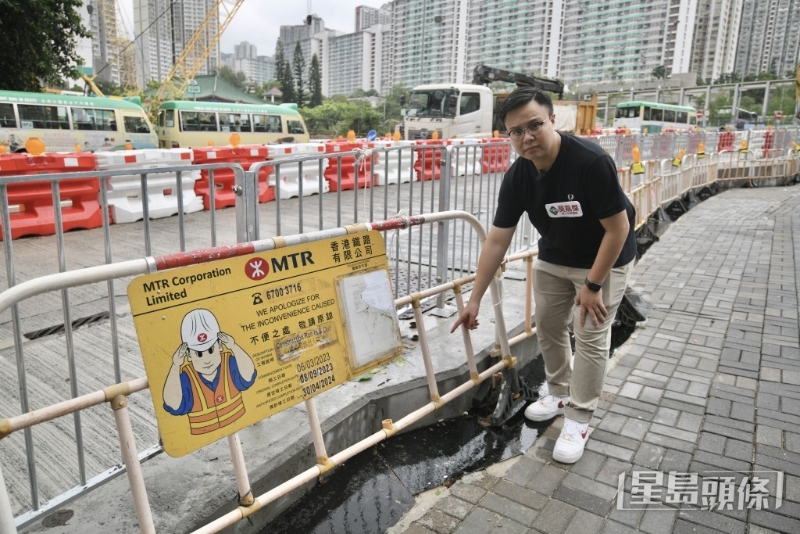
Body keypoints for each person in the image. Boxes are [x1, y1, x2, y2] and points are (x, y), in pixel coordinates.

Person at [451, 87, 636, 464]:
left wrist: (593, 285)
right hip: (555, 254)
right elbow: (497, 241)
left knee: (589, 334)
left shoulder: (590, 162)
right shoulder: (519, 175)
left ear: (553, 120)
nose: (527, 137)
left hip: (605, 258)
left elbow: (618, 229)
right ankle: (559, 392)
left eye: (535, 125)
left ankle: (579, 418)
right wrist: (474, 299)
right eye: (516, 131)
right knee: (549, 327)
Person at [163, 308, 257, 435]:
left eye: (211, 350)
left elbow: (248, 377)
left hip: (239, 423)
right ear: (188, 355)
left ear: (220, 346)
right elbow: (173, 404)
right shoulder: (187, 378)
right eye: (199, 354)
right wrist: (175, 365)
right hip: (203, 436)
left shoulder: (229, 363)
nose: (207, 360)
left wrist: (234, 347)